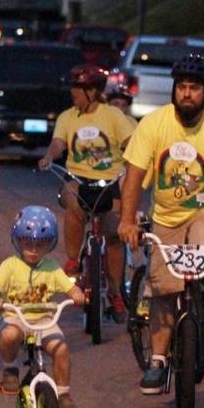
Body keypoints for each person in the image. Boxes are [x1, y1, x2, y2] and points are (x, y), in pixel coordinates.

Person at [117, 49, 204, 395]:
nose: (187, 93)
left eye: (194, 88)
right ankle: (159, 360)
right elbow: (135, 176)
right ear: (174, 89)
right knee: (163, 288)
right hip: (165, 215)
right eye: (182, 86)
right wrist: (127, 221)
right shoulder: (153, 124)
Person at [38, 64, 134, 322]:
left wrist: (136, 160)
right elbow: (59, 142)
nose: (73, 93)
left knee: (113, 234)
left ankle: (115, 291)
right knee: (73, 201)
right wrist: (49, 156)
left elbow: (130, 142)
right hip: (79, 179)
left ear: (92, 91)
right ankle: (72, 259)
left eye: (78, 88)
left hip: (109, 181)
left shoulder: (113, 116)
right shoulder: (67, 117)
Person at [0, 206, 85, 408]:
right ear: (17, 241)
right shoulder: (10, 266)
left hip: (44, 320)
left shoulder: (52, 267)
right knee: (9, 335)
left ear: (50, 244)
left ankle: (63, 394)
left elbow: (69, 286)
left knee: (61, 349)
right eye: (27, 242)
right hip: (16, 318)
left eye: (40, 244)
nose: (33, 249)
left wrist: (76, 294)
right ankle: (10, 368)